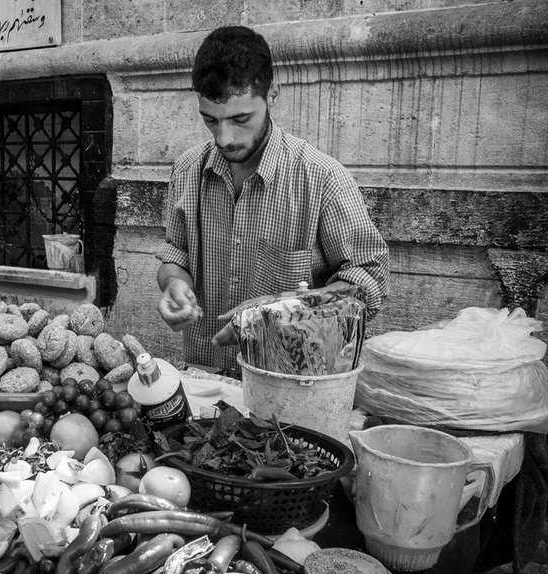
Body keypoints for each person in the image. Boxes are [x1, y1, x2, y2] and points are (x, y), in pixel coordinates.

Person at [155, 26, 390, 372]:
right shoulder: (187, 170)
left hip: (288, 384)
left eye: (241, 119)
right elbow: (176, 256)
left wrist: (271, 312)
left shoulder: (322, 178)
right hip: (204, 377)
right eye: (210, 120)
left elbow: (369, 282)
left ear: (273, 93)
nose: (225, 138)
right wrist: (174, 284)